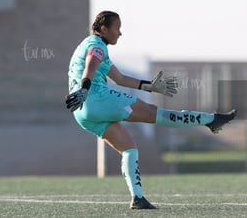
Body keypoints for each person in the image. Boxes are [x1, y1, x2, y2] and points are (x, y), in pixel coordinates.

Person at [65, 11, 236, 209]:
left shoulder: (90, 44)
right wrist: (85, 90)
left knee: (129, 148)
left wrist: (151, 86)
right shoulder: (97, 46)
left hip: (82, 113)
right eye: (117, 28)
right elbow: (90, 66)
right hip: (96, 100)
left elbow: (120, 79)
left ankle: (137, 198)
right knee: (159, 114)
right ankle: (210, 119)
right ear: (104, 29)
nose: (120, 33)